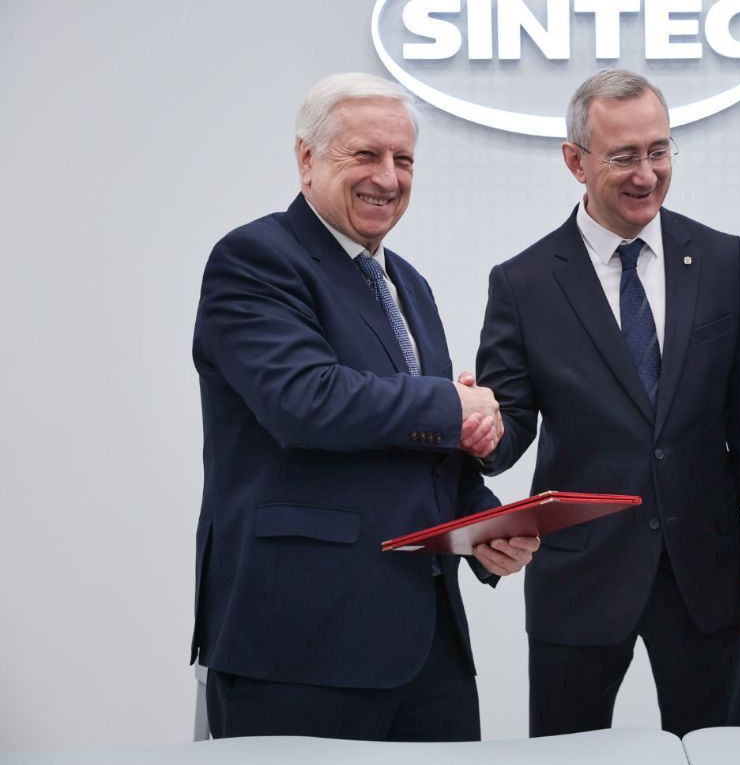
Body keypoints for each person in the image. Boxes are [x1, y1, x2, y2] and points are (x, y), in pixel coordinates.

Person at [191, 72, 538, 741]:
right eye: (366, 154)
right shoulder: (255, 259)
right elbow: (305, 400)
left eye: (403, 159)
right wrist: (453, 404)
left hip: (428, 646)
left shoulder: (410, 284)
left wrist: (482, 525)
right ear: (307, 159)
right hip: (297, 645)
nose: (388, 177)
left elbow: (419, 450)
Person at [475, 69, 740, 738]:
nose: (647, 174)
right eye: (623, 157)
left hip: (708, 576)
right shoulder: (523, 283)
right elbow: (509, 431)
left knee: (717, 755)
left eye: (659, 150)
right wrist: (479, 426)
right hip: (579, 577)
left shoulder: (724, 260)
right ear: (575, 161)